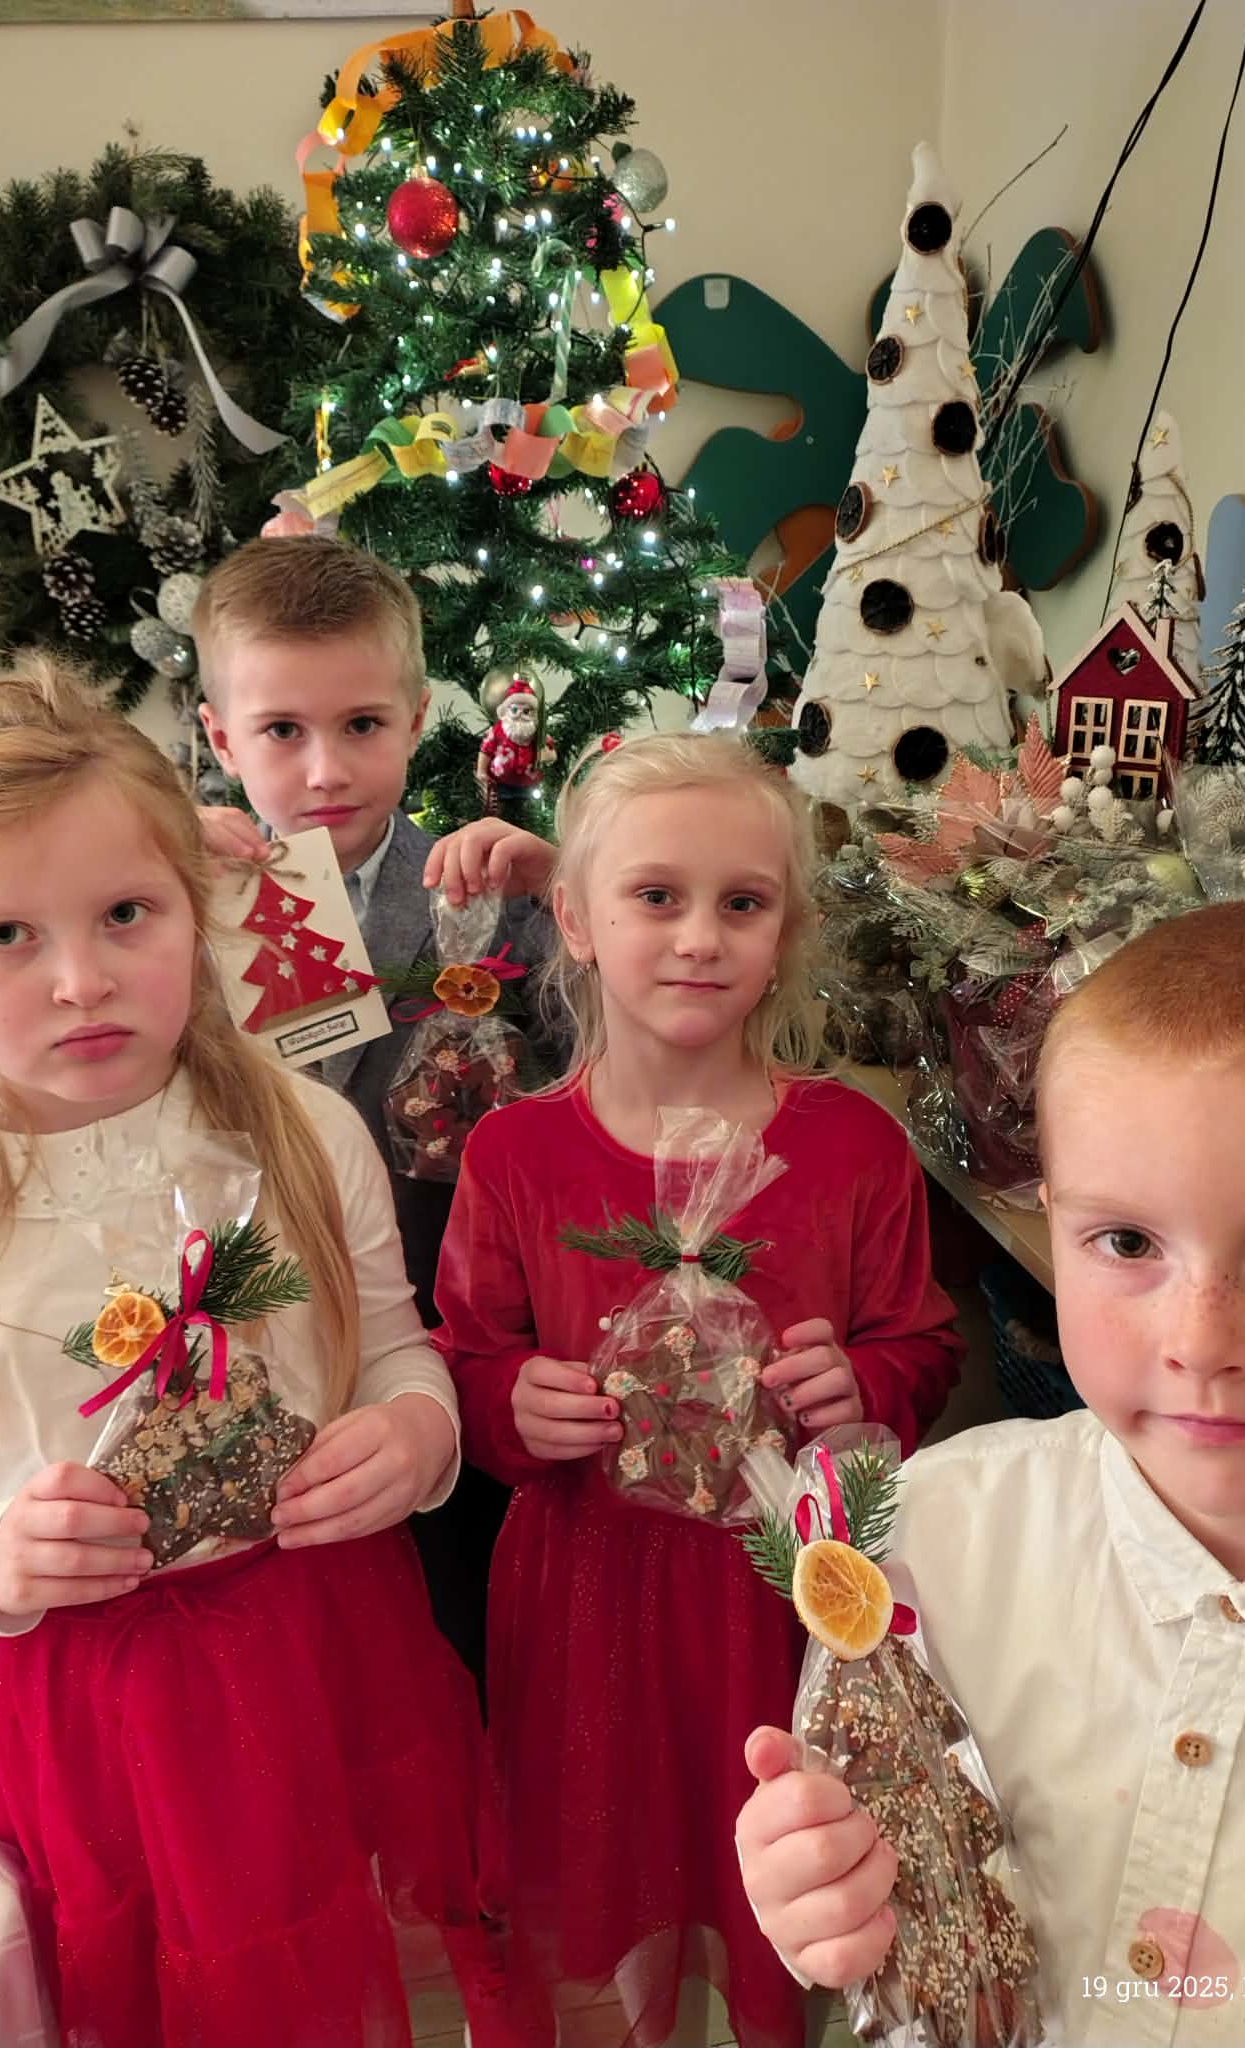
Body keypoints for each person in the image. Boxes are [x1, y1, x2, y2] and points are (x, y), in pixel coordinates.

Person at [0, 663, 515, 2048]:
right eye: (5, 934)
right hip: (57, 1710)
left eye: (126, 914)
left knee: (304, 1963)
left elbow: (395, 1350)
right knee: (103, 1985)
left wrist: (418, 1433)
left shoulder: (305, 1132)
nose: (81, 979)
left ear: (196, 911)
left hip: (304, 1652)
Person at [735, 898, 1245, 2047]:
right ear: (1054, 1223)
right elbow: (893, 1871)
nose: (1201, 1340)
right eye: (1128, 1242)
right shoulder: (938, 1536)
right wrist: (821, 1888)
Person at [434, 731, 963, 2048]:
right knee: (604, 1866)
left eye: (743, 902)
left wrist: (863, 1385)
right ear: (576, 918)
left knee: (780, 1863)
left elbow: (921, 1343)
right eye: (656, 896)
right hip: (586, 1591)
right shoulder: (515, 1153)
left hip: (784, 1597)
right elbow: (464, 1355)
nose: (698, 937)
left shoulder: (853, 1146)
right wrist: (512, 1406)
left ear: (786, 934)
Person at [190, 536, 547, 1693]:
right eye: (281, 731)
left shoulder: (476, 888)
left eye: (361, 724)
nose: (325, 768)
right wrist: (149, 880)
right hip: (254, 1309)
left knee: (451, 1603)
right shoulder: (175, 898)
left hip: (444, 1298)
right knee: (290, 1618)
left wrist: (563, 886)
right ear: (220, 739)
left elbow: (590, 1033)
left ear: (417, 716)